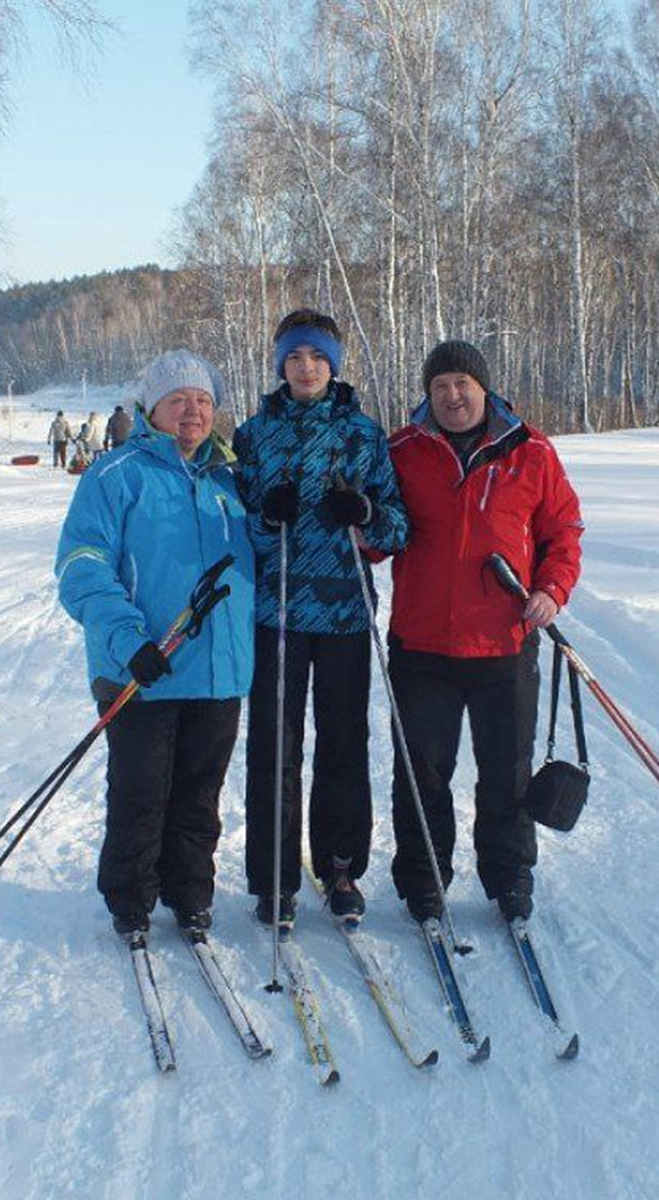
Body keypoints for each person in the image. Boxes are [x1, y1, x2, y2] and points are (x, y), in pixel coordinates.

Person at [383, 340, 583, 925]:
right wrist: (361, 518)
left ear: (484, 388)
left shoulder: (532, 453)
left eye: (461, 384)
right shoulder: (402, 450)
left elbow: (563, 531)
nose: (451, 396)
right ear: (428, 393)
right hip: (422, 646)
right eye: (440, 385)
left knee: (506, 773)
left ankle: (510, 878)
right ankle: (424, 880)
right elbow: (377, 540)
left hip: (504, 643)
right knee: (421, 775)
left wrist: (551, 589)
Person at [56, 349, 255, 937]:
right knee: (142, 793)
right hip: (144, 667)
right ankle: (130, 898)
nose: (192, 411)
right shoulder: (116, 475)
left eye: (202, 400)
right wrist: (127, 640)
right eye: (178, 400)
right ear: (153, 408)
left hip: (218, 670)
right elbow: (82, 564)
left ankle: (190, 891)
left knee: (200, 795)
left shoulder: (231, 479)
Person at [232, 308, 408, 927]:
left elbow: (398, 525)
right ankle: (274, 880)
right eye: (295, 358)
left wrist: (361, 509)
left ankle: (339, 869)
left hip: (343, 615)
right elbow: (239, 530)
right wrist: (265, 517)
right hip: (275, 612)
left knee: (343, 743)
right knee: (274, 747)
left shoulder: (363, 434)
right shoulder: (253, 435)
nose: (306, 368)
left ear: (334, 364)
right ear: (281, 363)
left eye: (317, 358)